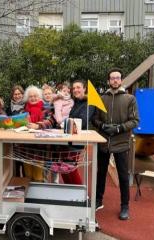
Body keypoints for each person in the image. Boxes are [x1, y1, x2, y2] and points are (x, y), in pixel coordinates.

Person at [92, 68, 139, 220]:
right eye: (112, 78)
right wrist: (102, 126)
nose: (115, 81)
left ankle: (125, 206)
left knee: (123, 176)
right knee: (101, 173)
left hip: (121, 143)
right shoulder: (101, 98)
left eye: (117, 78)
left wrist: (119, 128)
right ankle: (98, 200)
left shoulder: (129, 98)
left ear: (121, 80)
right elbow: (95, 119)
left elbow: (135, 121)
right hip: (104, 142)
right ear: (108, 81)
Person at [60, 79, 96, 185]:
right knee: (64, 168)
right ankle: (70, 190)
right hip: (69, 139)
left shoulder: (89, 103)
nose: (75, 90)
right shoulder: (76, 102)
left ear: (84, 89)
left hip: (76, 141)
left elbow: (83, 122)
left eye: (78, 87)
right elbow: (71, 119)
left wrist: (67, 123)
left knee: (69, 167)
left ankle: (80, 194)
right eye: (74, 88)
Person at [24, 85, 45, 181]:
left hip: (39, 143)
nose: (33, 98)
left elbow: (48, 121)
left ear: (39, 97)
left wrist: (38, 125)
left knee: (38, 171)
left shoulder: (45, 107)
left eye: (35, 96)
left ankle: (39, 188)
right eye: (30, 96)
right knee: (27, 169)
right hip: (26, 143)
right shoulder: (25, 108)